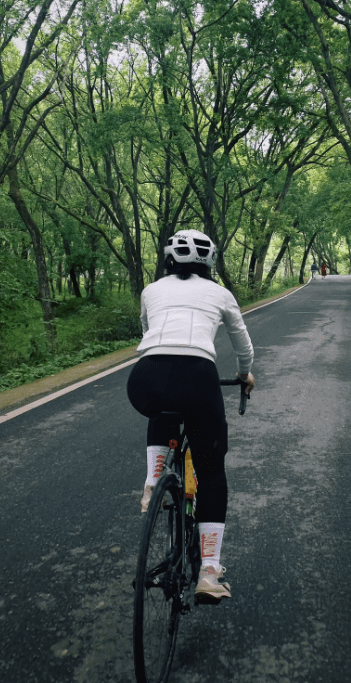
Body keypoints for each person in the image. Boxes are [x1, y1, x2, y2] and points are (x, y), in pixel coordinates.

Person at [127, 229, 255, 602]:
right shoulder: (220, 294)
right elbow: (243, 345)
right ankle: (209, 573)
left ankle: (152, 485)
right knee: (211, 470)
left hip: (145, 378)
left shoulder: (152, 290)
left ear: (169, 258)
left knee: (162, 408)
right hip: (199, 379)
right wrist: (245, 374)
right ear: (209, 262)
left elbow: (146, 329)